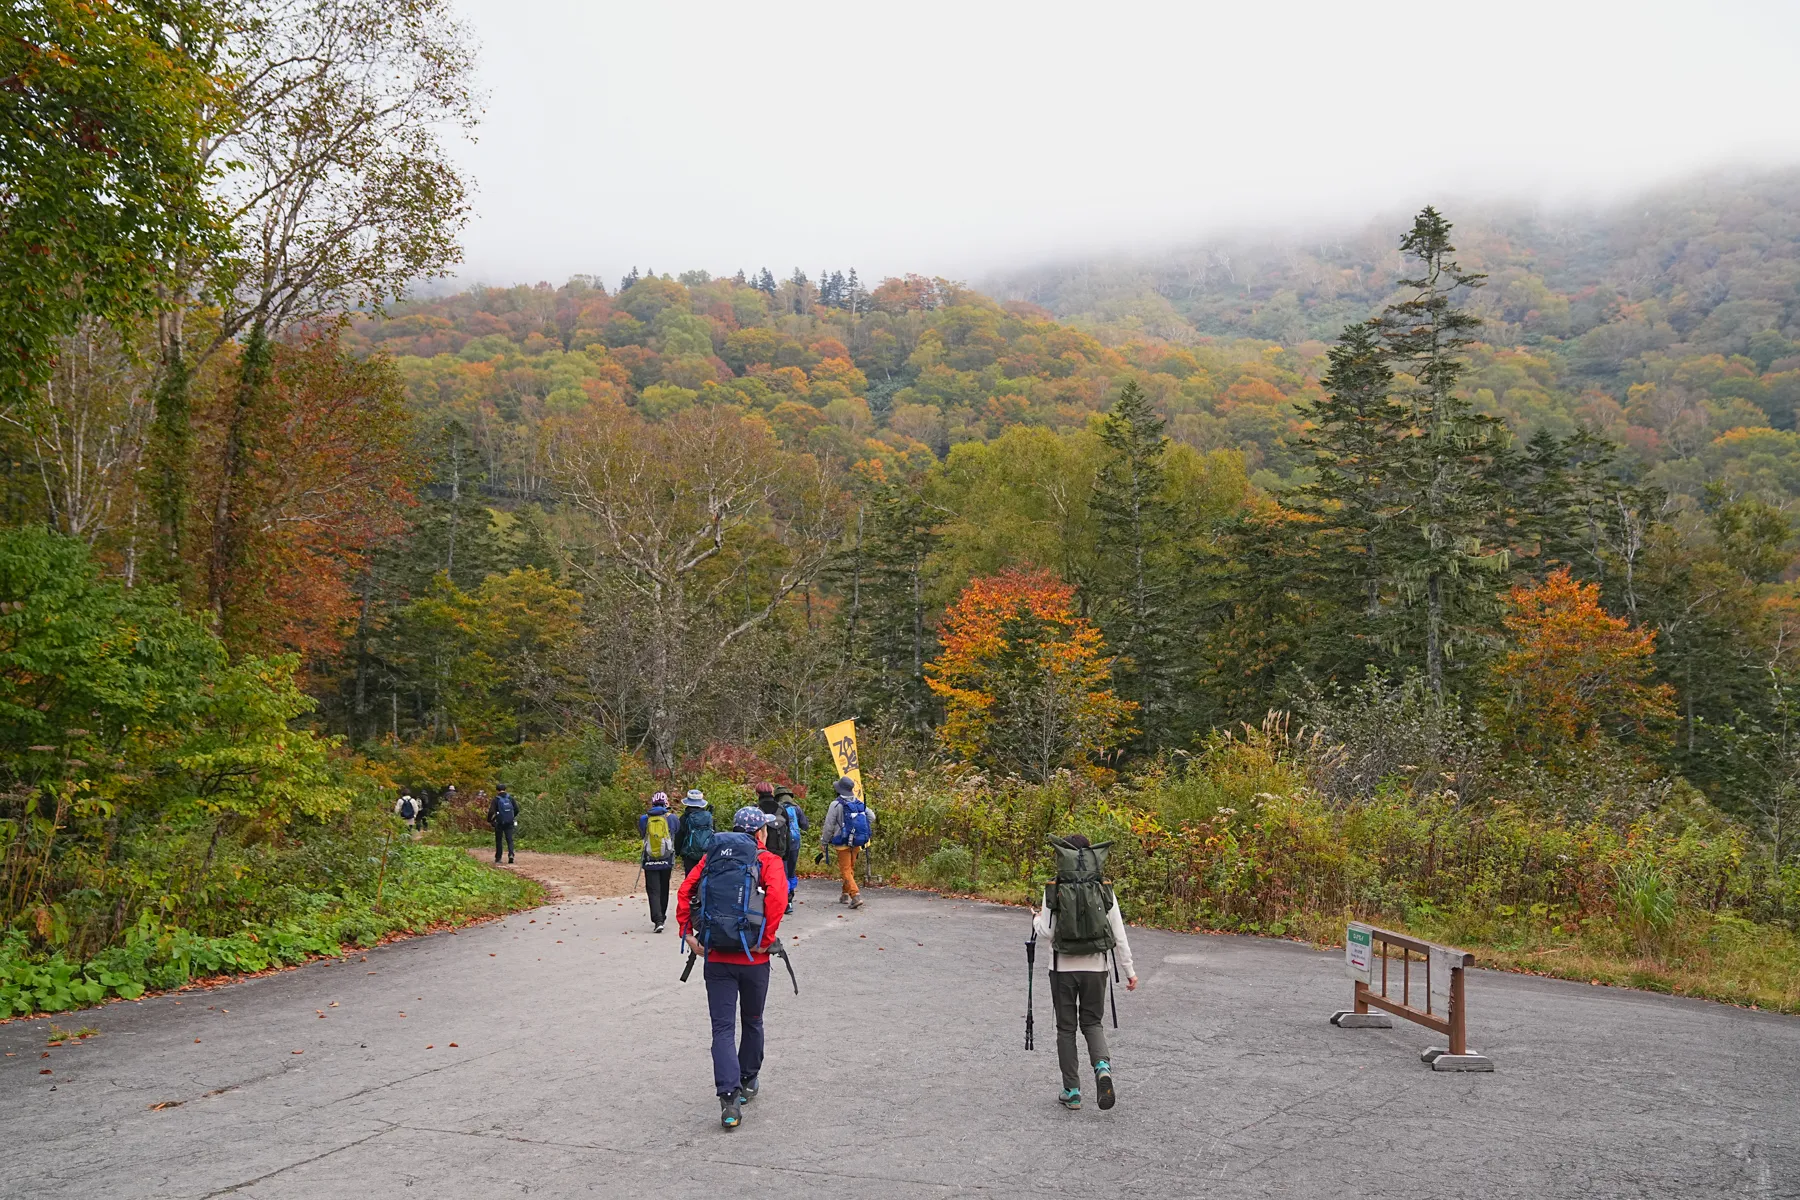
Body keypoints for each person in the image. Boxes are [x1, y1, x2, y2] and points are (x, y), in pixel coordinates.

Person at [677, 806, 789, 1130]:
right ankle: (748, 1081)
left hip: (717, 958)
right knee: (753, 1020)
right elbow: (778, 899)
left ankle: (729, 1100)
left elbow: (686, 891)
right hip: (755, 960)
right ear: (760, 833)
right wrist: (764, 939)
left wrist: (687, 934)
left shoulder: (712, 856)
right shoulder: (767, 860)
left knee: (722, 1029)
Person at [1031, 833, 1137, 1111]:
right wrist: (1129, 970)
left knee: (1066, 1028)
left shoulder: (1055, 887)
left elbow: (1047, 931)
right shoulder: (1103, 886)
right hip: (1097, 967)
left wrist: (1035, 919)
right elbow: (1118, 931)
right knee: (1092, 1023)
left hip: (1062, 968)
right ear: (1090, 855)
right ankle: (1102, 1068)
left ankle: (1073, 1091)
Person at [819, 776, 872, 909]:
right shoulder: (859, 803)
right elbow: (871, 816)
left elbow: (829, 825)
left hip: (841, 841)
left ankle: (855, 896)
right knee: (849, 868)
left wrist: (824, 841)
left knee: (846, 869)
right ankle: (844, 894)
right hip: (856, 841)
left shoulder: (836, 804)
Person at [762, 783, 807, 913]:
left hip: (780, 844)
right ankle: (789, 900)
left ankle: (783, 900)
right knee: (791, 872)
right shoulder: (796, 808)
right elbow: (805, 825)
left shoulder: (778, 808)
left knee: (782, 872)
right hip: (795, 843)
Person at [639, 791, 677, 932]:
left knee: (653, 889)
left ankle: (658, 920)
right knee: (664, 886)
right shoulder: (672, 818)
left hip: (649, 858)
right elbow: (675, 833)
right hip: (666, 857)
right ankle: (663, 915)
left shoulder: (644, 818)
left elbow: (643, 834)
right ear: (666, 803)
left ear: (652, 803)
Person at [676, 789, 713, 876]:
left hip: (689, 855)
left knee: (690, 879)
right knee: (704, 876)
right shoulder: (708, 816)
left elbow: (679, 836)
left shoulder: (684, 818)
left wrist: (677, 852)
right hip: (706, 854)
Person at [488, 784, 520, 864]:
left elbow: (491, 811)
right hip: (509, 822)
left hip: (499, 822)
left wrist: (490, 820)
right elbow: (516, 809)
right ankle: (511, 854)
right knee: (509, 839)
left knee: (499, 840)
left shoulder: (496, 799)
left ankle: (498, 858)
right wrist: (512, 817)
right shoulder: (510, 798)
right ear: (505, 789)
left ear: (497, 790)